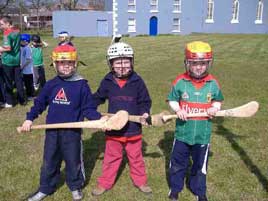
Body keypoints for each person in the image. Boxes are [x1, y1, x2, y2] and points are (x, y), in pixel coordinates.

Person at [19, 44, 102, 201]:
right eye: (62, 63)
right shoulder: (51, 85)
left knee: (73, 161)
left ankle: (75, 186)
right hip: (52, 131)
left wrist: (99, 120)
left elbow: (88, 108)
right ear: (55, 64)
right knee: (49, 160)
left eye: (69, 63)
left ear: (75, 64)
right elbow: (39, 104)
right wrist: (29, 118)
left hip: (72, 133)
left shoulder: (81, 85)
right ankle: (45, 188)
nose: (66, 67)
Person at [91, 38, 152, 196]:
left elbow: (145, 101)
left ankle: (140, 181)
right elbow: (98, 97)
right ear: (111, 64)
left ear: (132, 62)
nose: (122, 66)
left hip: (133, 130)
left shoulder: (137, 81)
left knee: (136, 157)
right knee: (111, 158)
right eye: (118, 62)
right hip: (114, 129)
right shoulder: (108, 81)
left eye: (126, 62)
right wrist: (87, 106)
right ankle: (105, 183)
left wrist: (145, 113)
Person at [167, 41, 224, 201]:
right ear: (187, 63)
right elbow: (172, 100)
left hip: (202, 135)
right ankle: (175, 188)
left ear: (209, 63)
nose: (199, 67)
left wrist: (215, 107)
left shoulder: (213, 83)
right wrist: (178, 110)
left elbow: (218, 100)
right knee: (178, 164)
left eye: (203, 64)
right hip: (182, 134)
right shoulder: (180, 82)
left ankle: (199, 190)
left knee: (200, 166)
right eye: (194, 64)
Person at [0, 16, 25, 107]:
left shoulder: (6, 33)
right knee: (18, 81)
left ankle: (9, 102)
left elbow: (7, 48)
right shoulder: (17, 30)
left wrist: (0, 49)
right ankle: (22, 100)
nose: (0, 26)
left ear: (8, 23)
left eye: (2, 24)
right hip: (16, 60)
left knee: (8, 81)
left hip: (8, 61)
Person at [20, 33, 34, 100]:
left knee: (29, 84)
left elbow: (28, 60)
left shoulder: (28, 48)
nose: (20, 42)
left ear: (26, 41)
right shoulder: (22, 47)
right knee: (26, 83)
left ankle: (31, 95)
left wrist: (22, 66)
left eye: (21, 40)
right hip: (24, 70)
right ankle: (28, 94)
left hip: (29, 70)